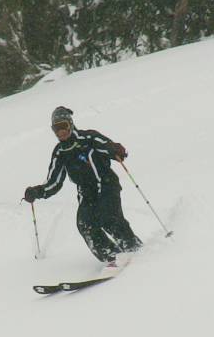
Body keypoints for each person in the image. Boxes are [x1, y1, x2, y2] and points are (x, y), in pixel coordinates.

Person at [24, 106, 142, 266]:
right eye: (56, 128)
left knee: (108, 216)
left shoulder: (89, 138)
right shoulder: (60, 152)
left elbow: (108, 146)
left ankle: (133, 247)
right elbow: (54, 182)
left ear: (70, 124)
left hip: (107, 184)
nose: (61, 132)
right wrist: (37, 191)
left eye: (63, 126)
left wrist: (116, 150)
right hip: (87, 193)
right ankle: (111, 257)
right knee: (84, 223)